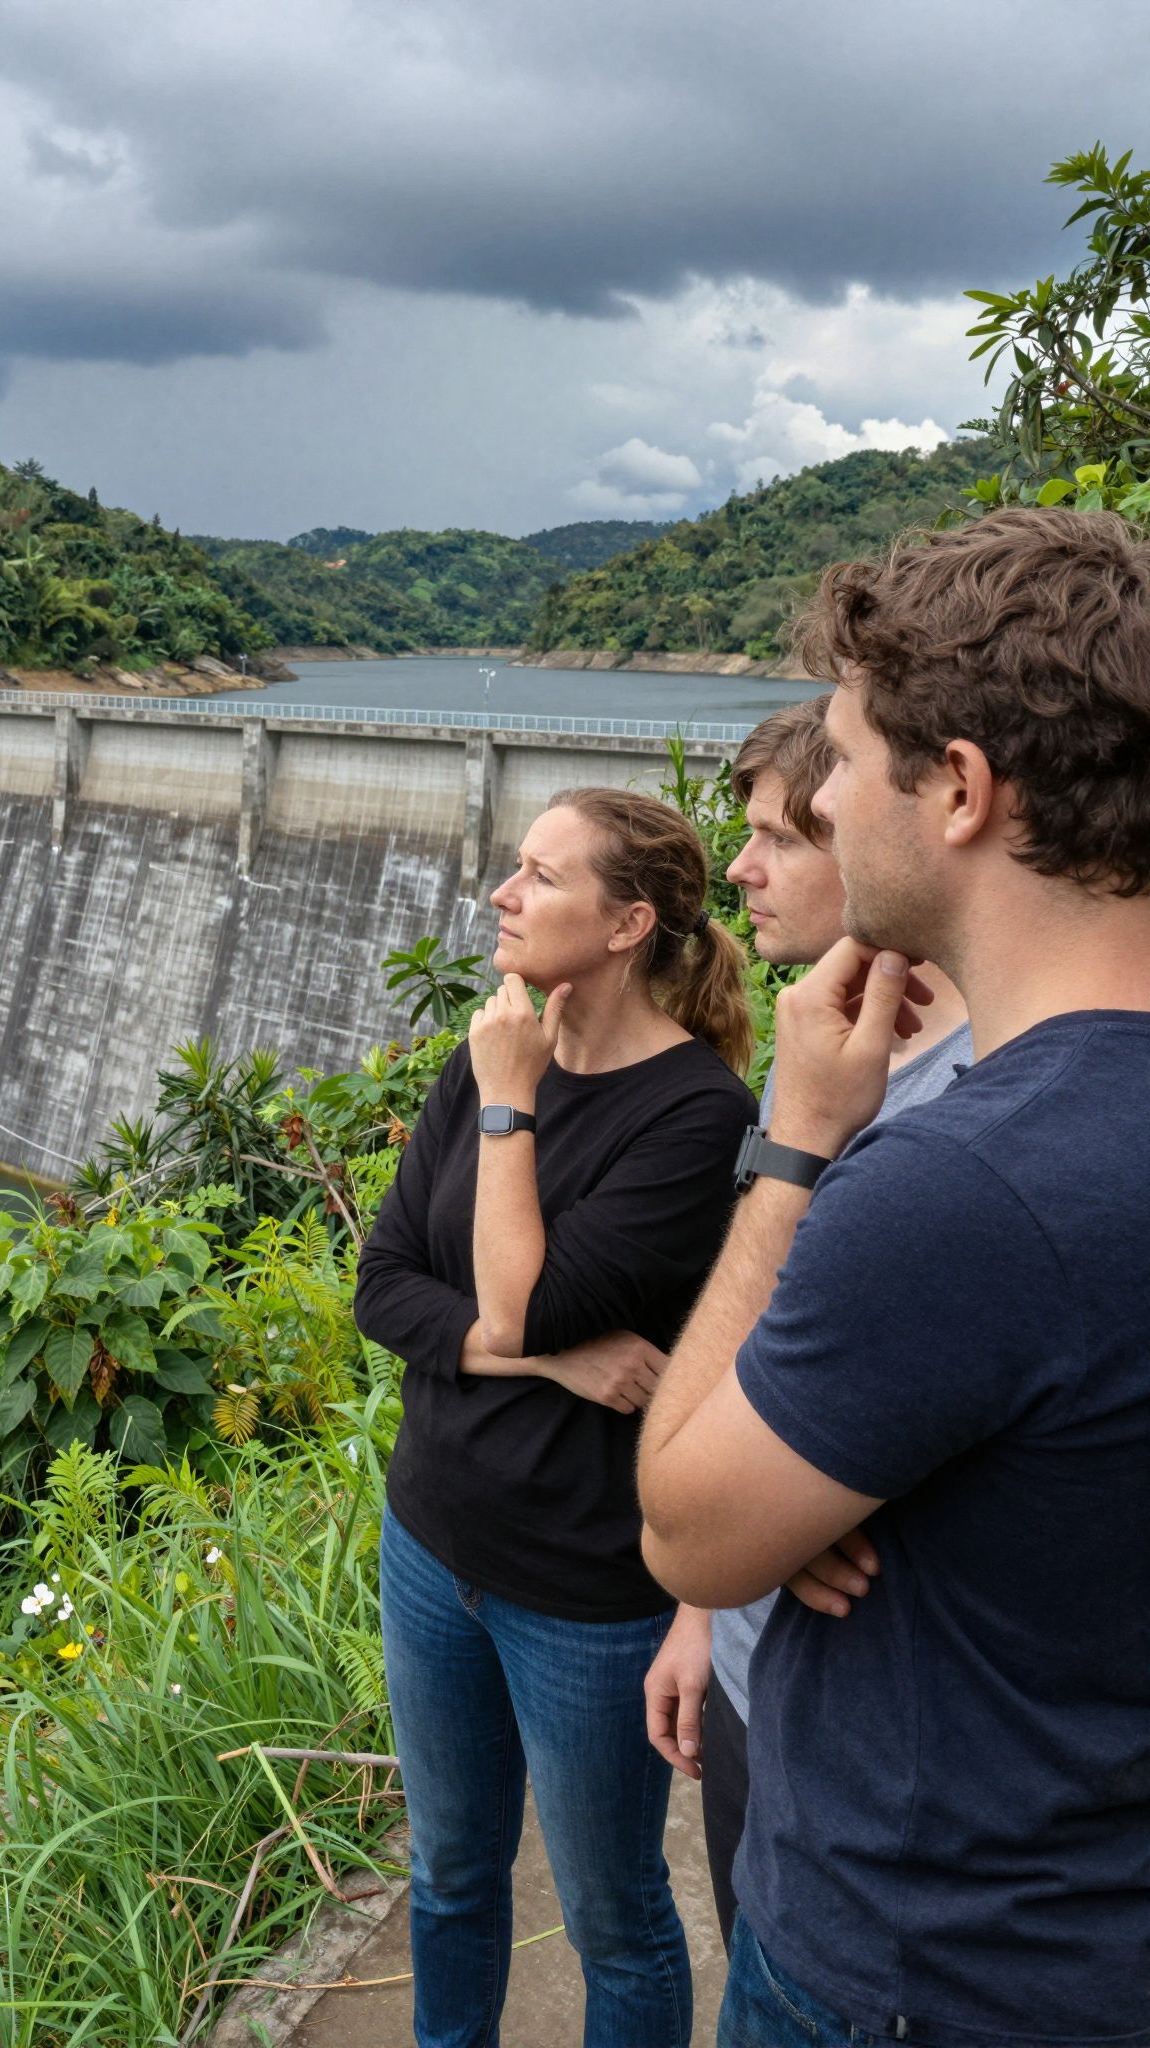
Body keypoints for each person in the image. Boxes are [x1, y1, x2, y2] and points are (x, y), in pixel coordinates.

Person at [638, 507, 1150, 2048]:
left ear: (963, 792)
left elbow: (688, 1525)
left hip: (927, 1973)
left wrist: (793, 1148)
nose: (827, 799)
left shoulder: (970, 1185)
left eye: (848, 764)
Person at [354, 785, 757, 2048]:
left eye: (539, 874)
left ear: (629, 922)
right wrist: (547, 1367)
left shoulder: (695, 1118)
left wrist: (512, 1104)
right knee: (450, 1874)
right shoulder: (481, 1056)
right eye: (511, 867)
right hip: (431, 1541)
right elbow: (383, 1287)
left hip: (586, 1591)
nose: (502, 893)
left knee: (614, 1917)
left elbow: (512, 1300)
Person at [641, 695, 971, 1946]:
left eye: (788, 831)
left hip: (874, 1703)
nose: (742, 866)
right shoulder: (815, 1044)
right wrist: (700, 1611)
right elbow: (755, 1300)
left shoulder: (990, 1078)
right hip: (747, 1638)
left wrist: (797, 1493)